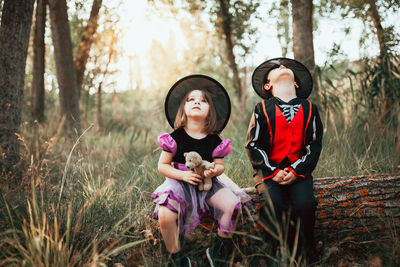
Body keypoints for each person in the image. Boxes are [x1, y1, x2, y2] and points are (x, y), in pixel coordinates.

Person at [152, 74, 251, 267]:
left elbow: (220, 165)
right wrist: (182, 175)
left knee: (232, 204)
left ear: (210, 111)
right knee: (165, 214)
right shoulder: (175, 137)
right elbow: (162, 166)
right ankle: (176, 256)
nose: (197, 102)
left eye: (203, 100)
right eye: (192, 99)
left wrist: (214, 172)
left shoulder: (214, 139)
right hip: (179, 181)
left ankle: (219, 249)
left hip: (208, 184)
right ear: (183, 108)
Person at [245, 58, 323, 262]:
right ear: (267, 86)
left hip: (300, 171)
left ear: (296, 83)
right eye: (275, 69)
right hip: (268, 171)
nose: (281, 67)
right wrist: (273, 171)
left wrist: (296, 171)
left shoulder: (310, 108)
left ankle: (306, 253)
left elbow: (314, 145)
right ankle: (276, 252)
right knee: (274, 205)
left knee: (305, 204)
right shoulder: (261, 109)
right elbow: (253, 144)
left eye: (285, 67)